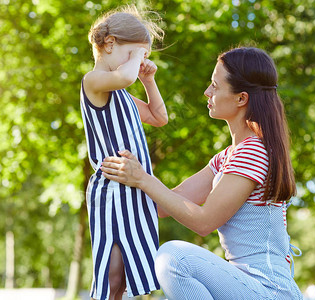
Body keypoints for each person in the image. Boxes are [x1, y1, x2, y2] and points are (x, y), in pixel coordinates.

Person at [101, 47, 303, 299]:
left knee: (174, 258)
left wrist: (142, 178)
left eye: (215, 86)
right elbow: (165, 205)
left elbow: (204, 221)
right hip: (245, 286)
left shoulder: (253, 152)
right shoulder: (227, 157)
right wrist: (147, 83)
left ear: (241, 99)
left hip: (269, 291)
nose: (207, 92)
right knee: (170, 258)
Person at [80, 5, 167, 300]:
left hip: (134, 190)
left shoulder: (123, 94)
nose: (140, 61)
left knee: (129, 277)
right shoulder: (93, 82)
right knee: (111, 275)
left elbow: (159, 117)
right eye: (136, 53)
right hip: (111, 190)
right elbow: (125, 77)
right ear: (110, 44)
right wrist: (135, 64)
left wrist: (149, 80)